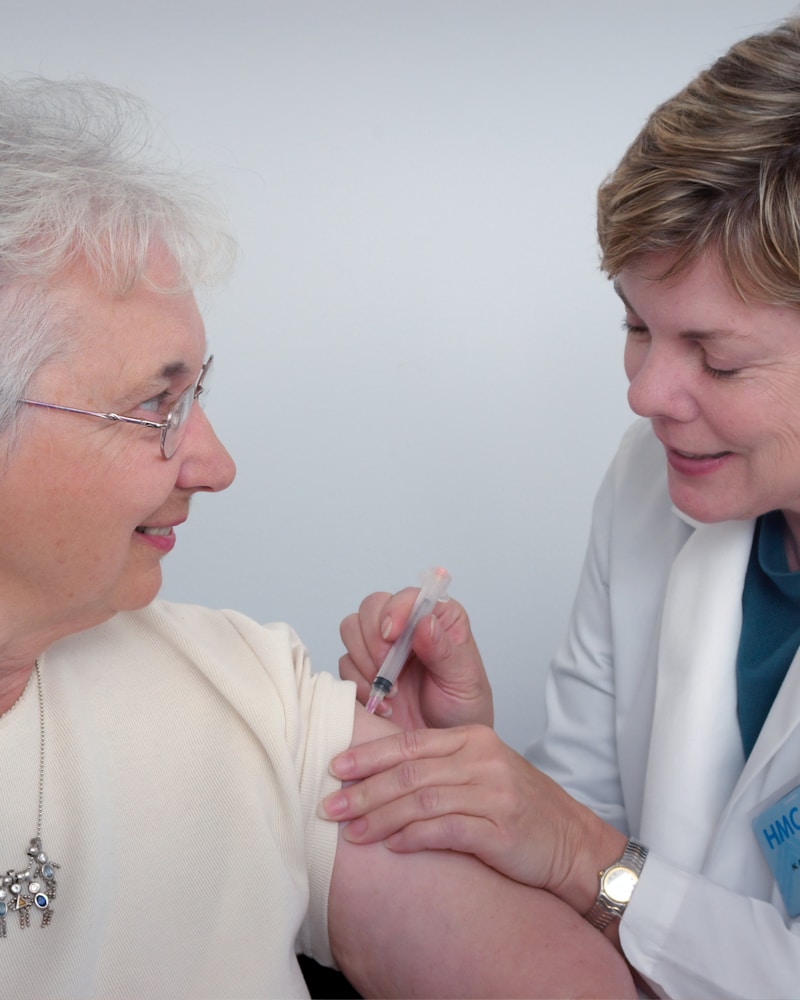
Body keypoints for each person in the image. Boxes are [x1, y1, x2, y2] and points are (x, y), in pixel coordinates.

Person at [0, 74, 637, 1000]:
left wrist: (446, 795)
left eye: (197, 396)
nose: (215, 464)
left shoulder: (249, 695)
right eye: (155, 406)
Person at [322, 16, 800, 999]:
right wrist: (471, 772)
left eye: (714, 357)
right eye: (635, 325)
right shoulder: (652, 482)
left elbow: (594, 862)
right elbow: (576, 852)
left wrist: (579, 849)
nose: (644, 393)